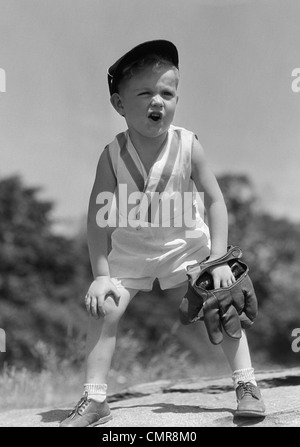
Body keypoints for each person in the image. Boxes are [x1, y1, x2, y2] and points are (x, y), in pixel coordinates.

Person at [60, 40, 265, 427]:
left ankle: (247, 385)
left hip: (186, 248)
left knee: (222, 301)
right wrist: (101, 275)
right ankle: (95, 399)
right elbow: (96, 219)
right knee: (104, 308)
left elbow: (216, 202)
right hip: (131, 251)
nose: (159, 101)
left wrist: (219, 260)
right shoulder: (112, 155)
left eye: (167, 93)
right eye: (145, 93)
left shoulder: (189, 144)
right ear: (120, 105)